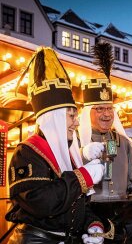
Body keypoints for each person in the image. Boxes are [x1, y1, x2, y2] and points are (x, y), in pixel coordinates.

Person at [6, 47, 105, 243]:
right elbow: (41, 202)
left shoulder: (68, 153)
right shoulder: (26, 153)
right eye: (71, 116)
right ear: (54, 119)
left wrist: (93, 226)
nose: (76, 123)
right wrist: (82, 176)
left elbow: (75, 203)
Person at [78, 42, 132, 201]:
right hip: (89, 215)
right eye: (100, 109)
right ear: (87, 113)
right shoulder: (76, 142)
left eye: (109, 108)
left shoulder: (124, 143)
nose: (106, 114)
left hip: (121, 212)